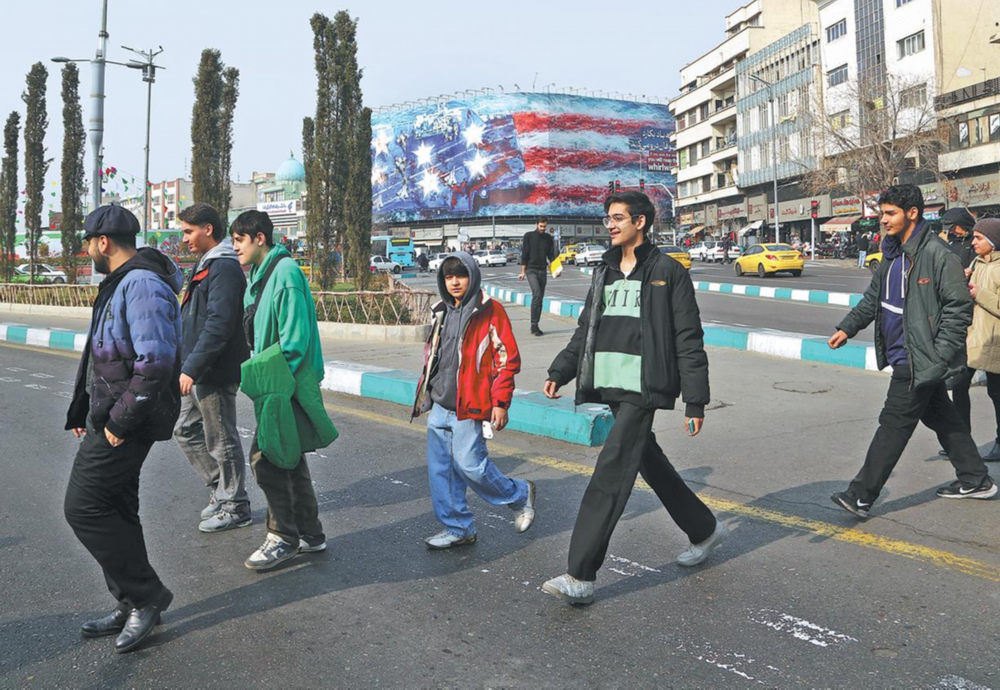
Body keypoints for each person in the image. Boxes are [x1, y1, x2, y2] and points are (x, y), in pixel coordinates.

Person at [540, 191, 726, 606]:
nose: (610, 225)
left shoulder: (667, 272)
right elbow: (587, 328)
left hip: (644, 387)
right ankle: (705, 529)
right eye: (608, 218)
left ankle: (580, 575)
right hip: (610, 383)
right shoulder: (604, 270)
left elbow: (688, 337)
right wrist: (561, 370)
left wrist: (695, 400)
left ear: (640, 222)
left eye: (618, 218)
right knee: (648, 461)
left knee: (610, 472)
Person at [828, 185, 996, 518]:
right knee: (942, 418)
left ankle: (860, 495)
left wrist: (939, 355)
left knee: (893, 423)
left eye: (890, 214)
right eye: (882, 213)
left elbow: (958, 309)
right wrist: (847, 327)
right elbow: (873, 298)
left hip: (918, 358)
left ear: (912, 213)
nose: (883, 220)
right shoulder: (893, 254)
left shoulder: (938, 255)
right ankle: (976, 479)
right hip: (903, 354)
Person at [63, 205, 183, 653]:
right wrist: (84, 411)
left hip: (129, 419)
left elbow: (157, 362)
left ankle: (146, 596)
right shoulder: (121, 281)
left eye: (88, 244)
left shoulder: (141, 284)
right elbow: (102, 356)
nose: (87, 252)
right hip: (112, 413)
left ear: (103, 242)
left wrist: (119, 421)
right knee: (116, 506)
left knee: (83, 507)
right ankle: (131, 600)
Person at [231, 211, 335, 571]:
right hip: (274, 380)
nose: (235, 247)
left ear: (259, 238)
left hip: (283, 382)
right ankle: (311, 533)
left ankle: (283, 537)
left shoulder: (285, 273)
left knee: (267, 458)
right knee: (289, 457)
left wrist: (269, 382)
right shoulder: (259, 275)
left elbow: (294, 342)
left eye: (239, 240)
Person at [411, 253, 537, 549]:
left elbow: (507, 360)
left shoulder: (490, 311)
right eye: (448, 277)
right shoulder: (441, 311)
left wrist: (500, 402)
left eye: (461, 275)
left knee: (471, 466)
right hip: (440, 404)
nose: (454, 282)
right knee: (441, 472)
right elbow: (435, 357)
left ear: (473, 276)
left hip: (470, 406)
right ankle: (458, 528)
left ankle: (519, 494)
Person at [172, 203, 252, 532]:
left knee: (221, 438)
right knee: (184, 429)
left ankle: (235, 505)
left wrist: (193, 367)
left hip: (213, 370)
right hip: (196, 368)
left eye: (188, 231)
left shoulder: (224, 268)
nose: (184, 238)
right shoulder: (207, 264)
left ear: (207, 229)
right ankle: (222, 491)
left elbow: (219, 324)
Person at [948, 218, 1000, 462]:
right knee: (959, 384)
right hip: (972, 337)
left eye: (979, 238)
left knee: (997, 393)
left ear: (993, 241)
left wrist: (979, 292)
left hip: (994, 340)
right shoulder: (976, 263)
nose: (973, 242)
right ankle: (962, 440)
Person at [519, 216, 557, 336]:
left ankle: (535, 324)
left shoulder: (548, 238)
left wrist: (556, 269)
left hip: (542, 270)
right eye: (541, 226)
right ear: (536, 224)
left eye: (544, 226)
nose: (542, 228)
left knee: (540, 298)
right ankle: (534, 324)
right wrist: (523, 272)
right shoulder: (528, 236)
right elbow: (524, 254)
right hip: (531, 270)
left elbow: (551, 255)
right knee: (537, 294)